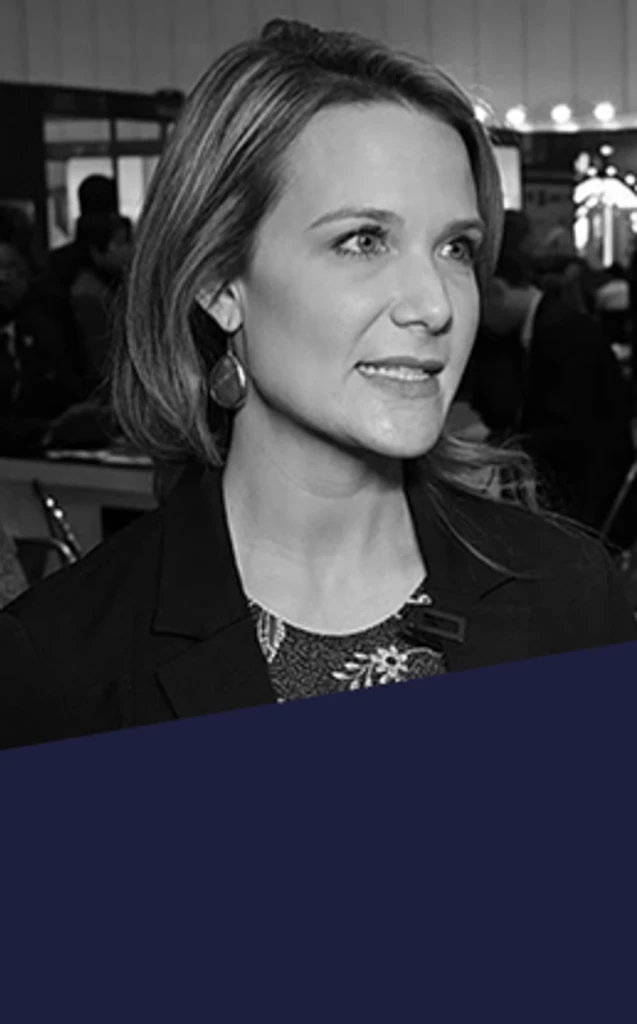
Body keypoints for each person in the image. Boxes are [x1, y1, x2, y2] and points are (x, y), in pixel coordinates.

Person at [0, 19, 634, 751]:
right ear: (219, 283)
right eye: (363, 240)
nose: (435, 305)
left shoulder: (566, 594)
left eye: (456, 248)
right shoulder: (63, 665)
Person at [481, 251, 635, 540]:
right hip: (574, 473)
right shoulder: (544, 324)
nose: (481, 322)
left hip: (589, 485)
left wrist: (504, 446)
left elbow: (571, 427)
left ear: (497, 291)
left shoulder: (564, 332)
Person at [0, 210, 83, 454]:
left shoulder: (47, 322)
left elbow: (72, 384)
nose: (2, 279)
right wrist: (43, 430)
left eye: (10, 268)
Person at [69, 212, 133, 392]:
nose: (130, 249)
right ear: (96, 251)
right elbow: (102, 360)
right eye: (121, 244)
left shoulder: (111, 284)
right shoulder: (88, 293)